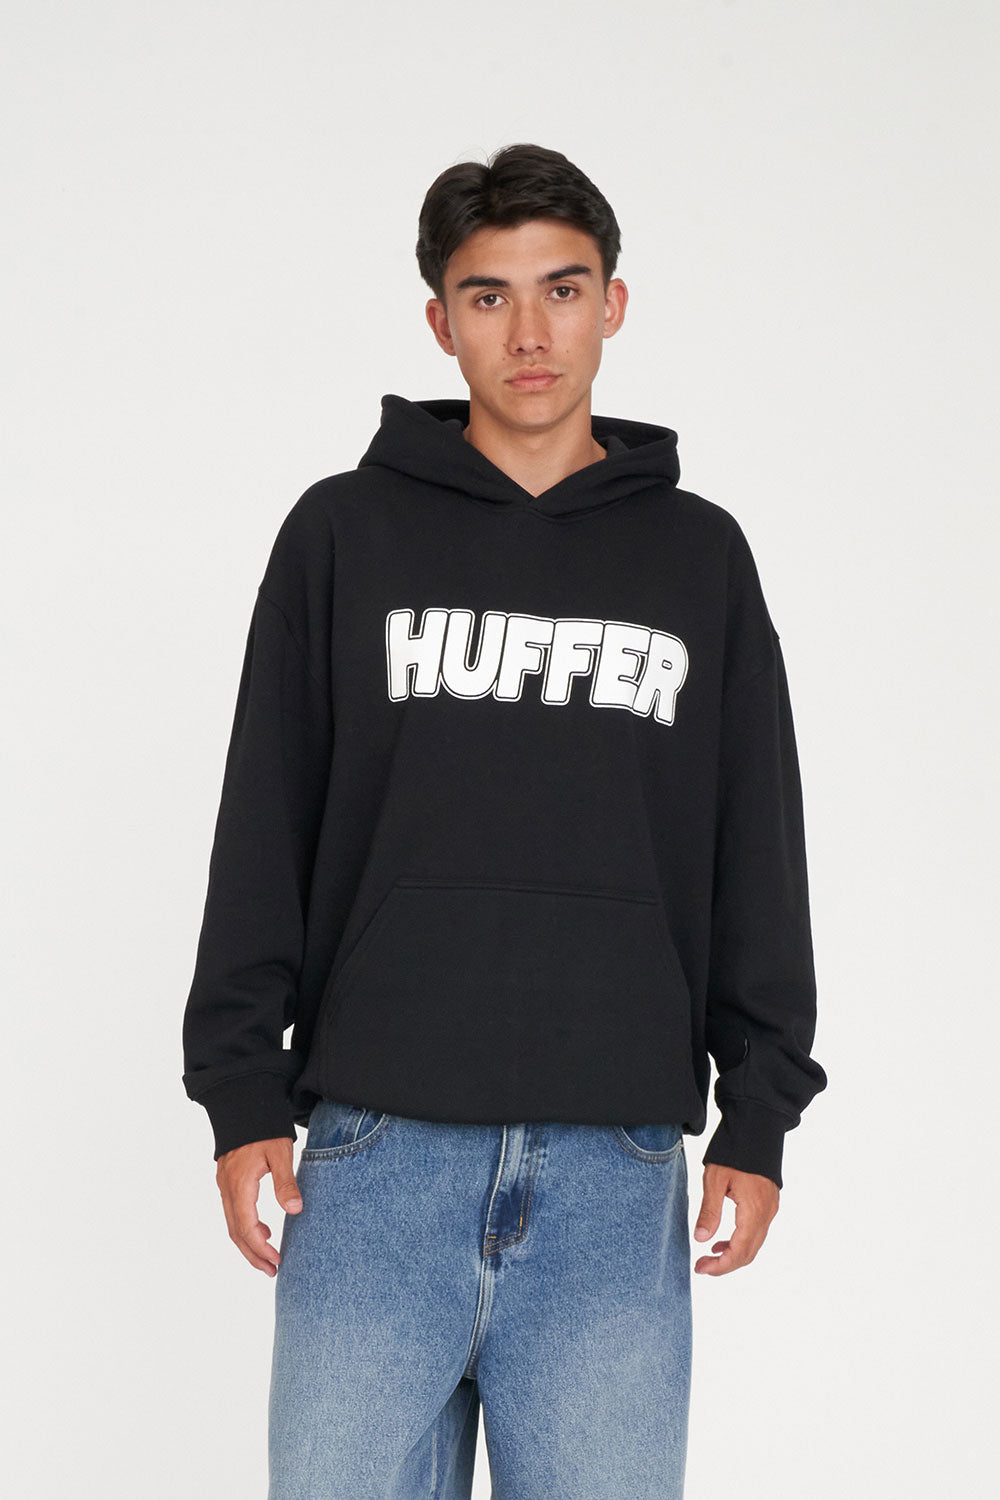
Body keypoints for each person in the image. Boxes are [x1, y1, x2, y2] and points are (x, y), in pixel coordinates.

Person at [181, 142, 827, 1499]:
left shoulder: (698, 557)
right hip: (373, 1161)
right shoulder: (343, 535)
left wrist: (760, 1111)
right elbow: (265, 820)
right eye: (489, 296)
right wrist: (240, 1093)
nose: (529, 333)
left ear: (614, 304)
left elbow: (754, 845)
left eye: (562, 289)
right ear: (440, 321)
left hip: (615, 1169)